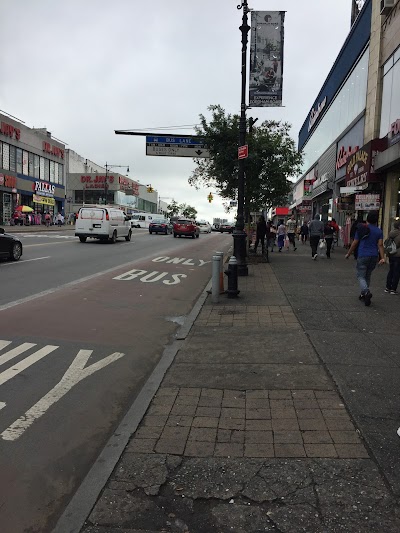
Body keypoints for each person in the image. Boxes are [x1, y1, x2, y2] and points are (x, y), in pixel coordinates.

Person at [345, 212, 385, 306]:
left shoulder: (362, 228)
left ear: (367, 219)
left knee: (360, 276)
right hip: (374, 256)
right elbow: (380, 245)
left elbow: (355, 242)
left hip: (363, 254)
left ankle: (366, 292)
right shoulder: (379, 231)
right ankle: (363, 295)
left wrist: (348, 253)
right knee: (367, 275)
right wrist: (382, 257)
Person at [385, 220, 400, 295]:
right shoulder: (399, 234)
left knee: (391, 271)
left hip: (391, 254)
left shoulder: (391, 233)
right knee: (396, 272)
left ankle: (387, 287)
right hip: (398, 255)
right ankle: (393, 289)